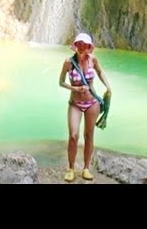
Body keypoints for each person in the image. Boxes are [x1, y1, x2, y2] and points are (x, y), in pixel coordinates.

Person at [59, 32, 111, 182]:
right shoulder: (68, 62)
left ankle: (86, 168)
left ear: (89, 47)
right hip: (74, 104)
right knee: (73, 136)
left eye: (85, 45)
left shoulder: (93, 60)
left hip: (92, 103)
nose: (82, 47)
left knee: (89, 136)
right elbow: (61, 82)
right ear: (75, 46)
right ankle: (71, 168)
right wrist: (74, 89)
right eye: (79, 44)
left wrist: (108, 87)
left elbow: (100, 72)